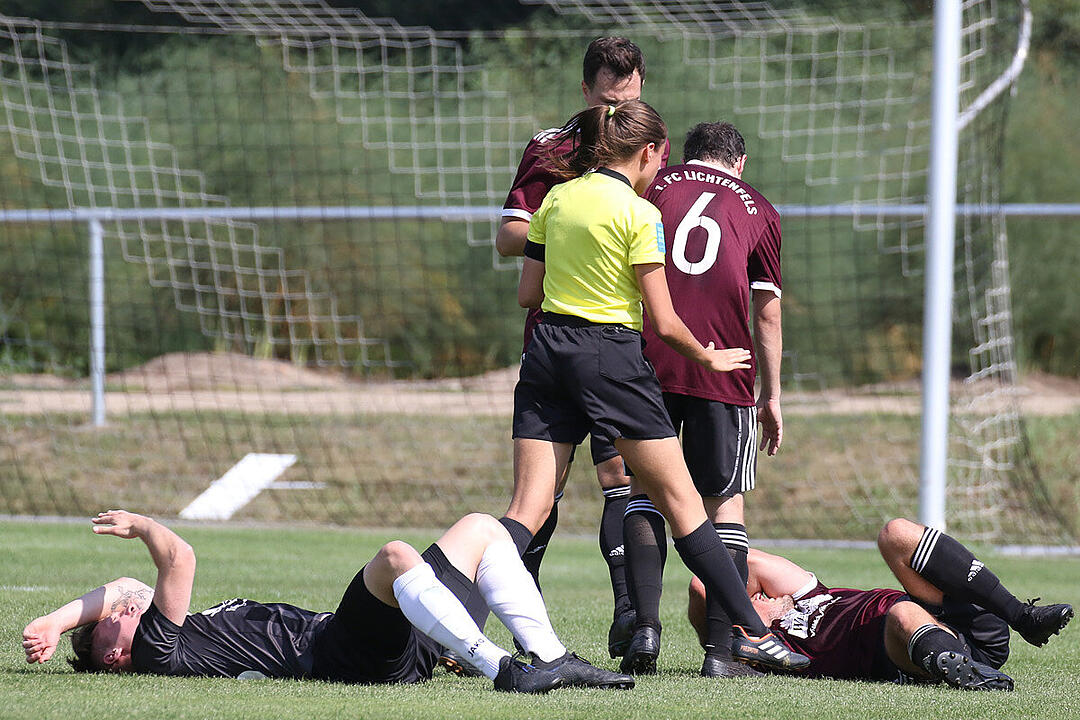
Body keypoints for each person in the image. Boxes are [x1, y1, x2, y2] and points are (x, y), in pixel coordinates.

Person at [505, 97, 810, 675]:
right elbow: (691, 319)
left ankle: (452, 620)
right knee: (701, 507)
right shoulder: (655, 210)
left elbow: (528, 293)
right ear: (650, 152)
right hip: (630, 360)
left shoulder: (570, 197)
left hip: (556, 353)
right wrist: (729, 367)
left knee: (537, 508)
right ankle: (741, 639)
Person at [21, 509, 634, 692]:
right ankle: (502, 667)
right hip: (338, 653)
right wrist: (145, 526)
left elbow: (126, 593)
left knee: (480, 529)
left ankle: (549, 656)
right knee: (395, 555)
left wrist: (55, 619)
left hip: (376, 645)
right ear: (118, 657)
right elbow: (177, 559)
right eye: (115, 631)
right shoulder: (157, 650)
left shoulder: (148, 631)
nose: (125, 614)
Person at [496, 37, 670, 657]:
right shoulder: (554, 149)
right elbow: (511, 232)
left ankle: (633, 617)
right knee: (544, 488)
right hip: (561, 334)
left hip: (626, 339)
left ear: (642, 86)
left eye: (627, 97)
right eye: (605, 99)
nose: (614, 111)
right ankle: (523, 624)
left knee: (622, 473)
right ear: (585, 92)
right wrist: (570, 219)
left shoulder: (654, 147)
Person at [619, 121, 783, 678]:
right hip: (726, 370)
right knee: (723, 507)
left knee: (644, 490)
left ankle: (645, 628)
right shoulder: (758, 207)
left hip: (649, 363)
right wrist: (772, 396)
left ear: (686, 157)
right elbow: (766, 312)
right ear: (739, 162)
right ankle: (721, 651)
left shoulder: (654, 185)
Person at [686, 518, 1073, 689]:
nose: (751, 594)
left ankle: (1023, 616)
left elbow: (736, 558)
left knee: (896, 533)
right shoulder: (785, 651)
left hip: (960, 619)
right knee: (901, 613)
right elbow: (702, 587)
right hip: (909, 648)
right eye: (741, 601)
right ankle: (967, 673)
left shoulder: (805, 594)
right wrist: (752, 625)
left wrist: (766, 605)